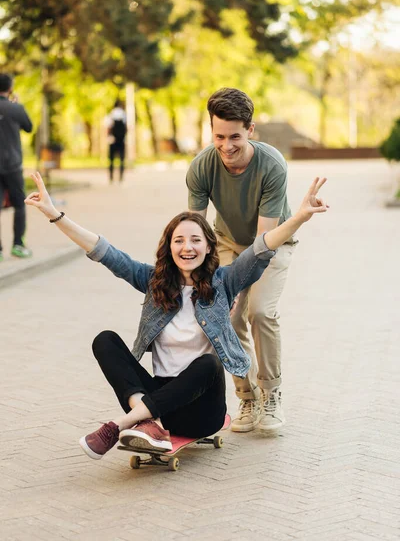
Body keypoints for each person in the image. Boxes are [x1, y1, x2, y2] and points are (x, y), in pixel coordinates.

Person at [25, 171, 328, 460]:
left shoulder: (225, 282)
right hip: (163, 400)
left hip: (202, 411)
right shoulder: (153, 282)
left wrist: (300, 216)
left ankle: (120, 424)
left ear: (210, 247)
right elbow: (105, 251)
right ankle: (148, 421)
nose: (187, 247)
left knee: (209, 363)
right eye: (179, 240)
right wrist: (55, 215)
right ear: (169, 248)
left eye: (196, 240)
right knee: (105, 341)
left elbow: (261, 248)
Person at [186, 87, 298, 433]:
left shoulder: (272, 166)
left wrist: (236, 283)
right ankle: (247, 397)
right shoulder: (201, 167)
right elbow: (194, 230)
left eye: (235, 136)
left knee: (259, 311)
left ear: (250, 130)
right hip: (226, 242)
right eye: (219, 136)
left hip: (273, 241)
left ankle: (271, 394)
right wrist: (202, 281)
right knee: (226, 313)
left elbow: (264, 242)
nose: (226, 146)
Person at [0, 73, 33, 261]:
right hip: (13, 165)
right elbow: (28, 127)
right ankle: (18, 245)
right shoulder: (16, 108)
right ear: (10, 88)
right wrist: (15, 105)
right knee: (20, 205)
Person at [106, 100, 127, 183]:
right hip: (121, 139)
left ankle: (111, 177)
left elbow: (108, 127)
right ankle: (121, 176)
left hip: (113, 139)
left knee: (111, 159)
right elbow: (126, 127)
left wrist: (109, 137)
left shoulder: (111, 114)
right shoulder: (123, 114)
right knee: (122, 159)